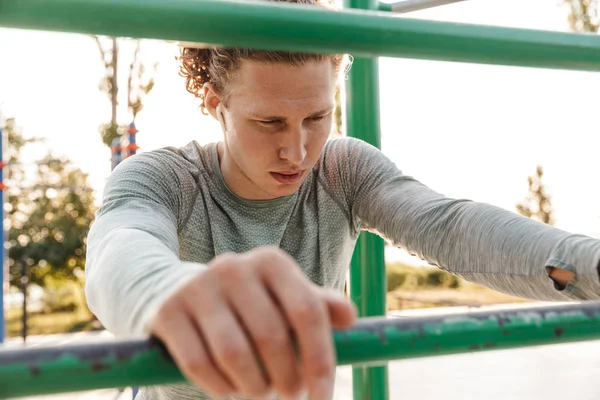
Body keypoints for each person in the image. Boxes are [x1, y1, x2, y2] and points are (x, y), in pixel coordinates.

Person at [84, 0, 600, 398]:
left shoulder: (341, 167)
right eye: (269, 122)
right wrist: (168, 292)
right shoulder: (163, 176)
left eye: (316, 117)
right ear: (215, 104)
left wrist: (589, 264)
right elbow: (118, 246)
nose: (297, 149)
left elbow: (447, 224)